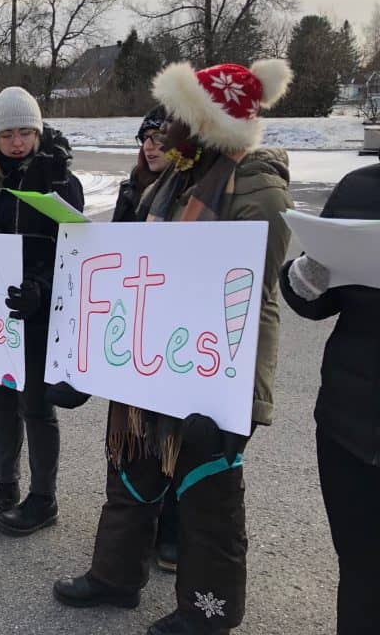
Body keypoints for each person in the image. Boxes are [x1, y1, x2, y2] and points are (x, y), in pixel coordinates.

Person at [53, 59, 294, 635]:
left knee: (206, 492)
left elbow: (249, 289)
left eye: (181, 119)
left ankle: (207, 612)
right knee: (132, 465)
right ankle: (115, 577)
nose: (167, 131)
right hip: (154, 360)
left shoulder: (256, 186)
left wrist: (235, 400)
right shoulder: (175, 179)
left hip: (212, 369)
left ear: (211, 125)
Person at [0, 87, 83, 534]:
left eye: (25, 132)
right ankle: (5, 484)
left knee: (35, 403)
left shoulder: (59, 177)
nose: (17, 142)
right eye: (8, 133)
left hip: (39, 309)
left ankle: (43, 496)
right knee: (2, 399)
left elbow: (74, 249)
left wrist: (41, 288)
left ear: (38, 130)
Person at [279, 156, 379, 634]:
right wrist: (307, 277)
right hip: (349, 426)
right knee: (361, 574)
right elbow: (314, 302)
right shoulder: (359, 188)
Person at [112, 104, 180, 574]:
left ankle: (172, 531)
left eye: (160, 138)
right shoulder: (131, 189)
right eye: (146, 138)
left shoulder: (186, 194)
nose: (150, 146)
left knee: (171, 434)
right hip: (133, 323)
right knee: (135, 432)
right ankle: (137, 530)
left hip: (171, 327)